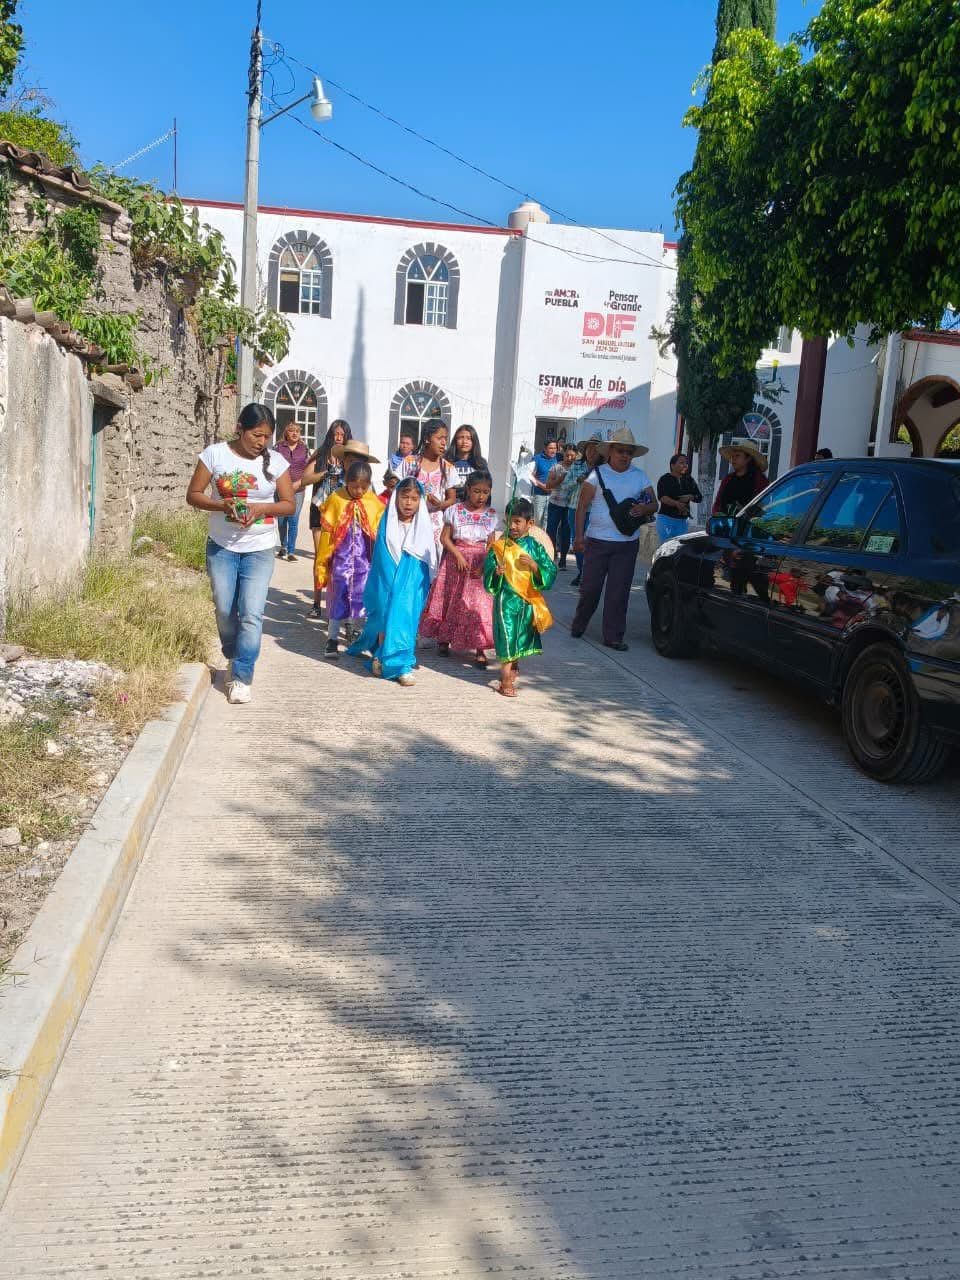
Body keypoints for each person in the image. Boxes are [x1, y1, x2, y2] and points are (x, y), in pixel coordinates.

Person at [186, 402, 295, 705]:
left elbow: (289, 504)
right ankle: (233, 653)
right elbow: (192, 494)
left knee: (251, 612)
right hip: (222, 546)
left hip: (259, 547)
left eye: (267, 437)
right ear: (240, 429)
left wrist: (261, 508)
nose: (262, 443)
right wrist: (222, 505)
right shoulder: (215, 454)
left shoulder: (276, 461)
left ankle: (242, 675)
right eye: (256, 435)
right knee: (224, 608)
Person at [571, 426, 657, 652]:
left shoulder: (640, 476)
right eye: (620, 451)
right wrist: (578, 537)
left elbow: (654, 503)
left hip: (627, 545)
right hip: (597, 542)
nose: (624, 456)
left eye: (629, 452)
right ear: (610, 452)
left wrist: (643, 507)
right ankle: (580, 622)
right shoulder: (596, 475)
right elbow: (582, 507)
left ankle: (614, 636)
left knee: (618, 592)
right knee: (590, 589)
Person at [348, 478, 439, 687]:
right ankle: (382, 656)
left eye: (414, 499)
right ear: (396, 498)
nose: (409, 503)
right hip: (388, 579)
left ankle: (402, 666)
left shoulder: (423, 527)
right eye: (404, 497)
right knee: (385, 616)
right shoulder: (387, 524)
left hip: (411, 582)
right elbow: (380, 557)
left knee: (405, 619)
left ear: (420, 502)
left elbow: (428, 558)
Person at [420, 470, 497, 667]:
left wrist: (485, 565)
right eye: (477, 491)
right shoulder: (455, 510)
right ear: (468, 490)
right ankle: (444, 640)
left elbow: (491, 545)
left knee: (478, 605)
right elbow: (444, 538)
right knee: (451, 600)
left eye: (485, 492)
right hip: (456, 563)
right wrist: (458, 555)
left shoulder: (490, 515)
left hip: (478, 565)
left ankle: (480, 647)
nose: (481, 496)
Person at [314, 452, 386, 659]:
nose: (359, 491)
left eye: (364, 487)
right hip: (341, 560)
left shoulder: (374, 503)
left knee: (360, 597)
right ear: (346, 481)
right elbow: (327, 532)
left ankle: (355, 631)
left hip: (365, 562)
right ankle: (332, 639)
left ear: (369, 484)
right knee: (338, 597)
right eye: (355, 487)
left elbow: (379, 533)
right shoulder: (336, 499)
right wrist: (324, 558)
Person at [484, 498, 557, 697]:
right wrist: (495, 573)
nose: (513, 526)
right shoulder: (501, 546)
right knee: (507, 636)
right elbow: (488, 569)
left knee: (520, 636)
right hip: (505, 600)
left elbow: (550, 570)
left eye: (518, 521)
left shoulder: (535, 547)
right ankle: (506, 679)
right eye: (510, 521)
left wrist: (535, 566)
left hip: (526, 601)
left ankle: (514, 664)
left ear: (529, 523)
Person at [391, 420, 458, 547]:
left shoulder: (448, 468)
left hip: (435, 526)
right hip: (409, 521)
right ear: (427, 439)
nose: (444, 443)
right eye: (440, 438)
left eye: (445, 439)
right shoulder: (410, 462)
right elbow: (395, 487)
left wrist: (440, 504)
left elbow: (452, 499)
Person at [274, 421, 311, 560]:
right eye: (291, 431)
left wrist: (302, 481)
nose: (295, 433)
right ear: (286, 433)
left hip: (298, 489)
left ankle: (291, 551)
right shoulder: (278, 447)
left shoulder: (304, 448)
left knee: (294, 519)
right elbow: (271, 465)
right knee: (282, 520)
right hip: (281, 488)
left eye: (297, 431)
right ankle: (283, 547)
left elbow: (309, 468)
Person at [544, 443, 581, 570]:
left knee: (566, 532)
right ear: (563, 454)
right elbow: (548, 485)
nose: (569, 458)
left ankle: (563, 559)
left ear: (576, 456)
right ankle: (552, 554)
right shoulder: (556, 467)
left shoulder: (578, 469)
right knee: (551, 530)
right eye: (567, 455)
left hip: (570, 506)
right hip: (555, 503)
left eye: (572, 456)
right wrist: (560, 479)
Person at [656, 453, 703, 543]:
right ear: (672, 465)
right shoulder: (665, 479)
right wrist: (677, 504)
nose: (685, 465)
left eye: (686, 463)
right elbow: (662, 497)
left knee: (678, 549)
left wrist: (690, 496)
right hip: (666, 519)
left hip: (683, 521)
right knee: (666, 548)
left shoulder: (689, 480)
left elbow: (699, 497)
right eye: (682, 463)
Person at [712, 443, 769, 515]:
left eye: (737, 455)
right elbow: (718, 503)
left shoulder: (760, 480)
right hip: (724, 523)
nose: (733, 459)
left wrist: (743, 511)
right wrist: (716, 515)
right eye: (733, 456)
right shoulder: (728, 479)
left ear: (748, 459)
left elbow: (763, 506)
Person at [446, 424, 488, 497]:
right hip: (451, 504)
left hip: (474, 504)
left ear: (474, 441)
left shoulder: (481, 463)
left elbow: (486, 485)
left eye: (469, 438)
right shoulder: (446, 461)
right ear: (455, 440)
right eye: (460, 438)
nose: (464, 441)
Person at [529, 440, 559, 527]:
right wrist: (543, 486)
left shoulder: (558, 458)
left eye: (555, 448)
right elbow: (531, 476)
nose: (553, 450)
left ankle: (545, 540)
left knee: (548, 520)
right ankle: (536, 539)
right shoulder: (537, 459)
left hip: (553, 495)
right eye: (550, 448)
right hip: (539, 495)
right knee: (538, 520)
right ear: (545, 449)